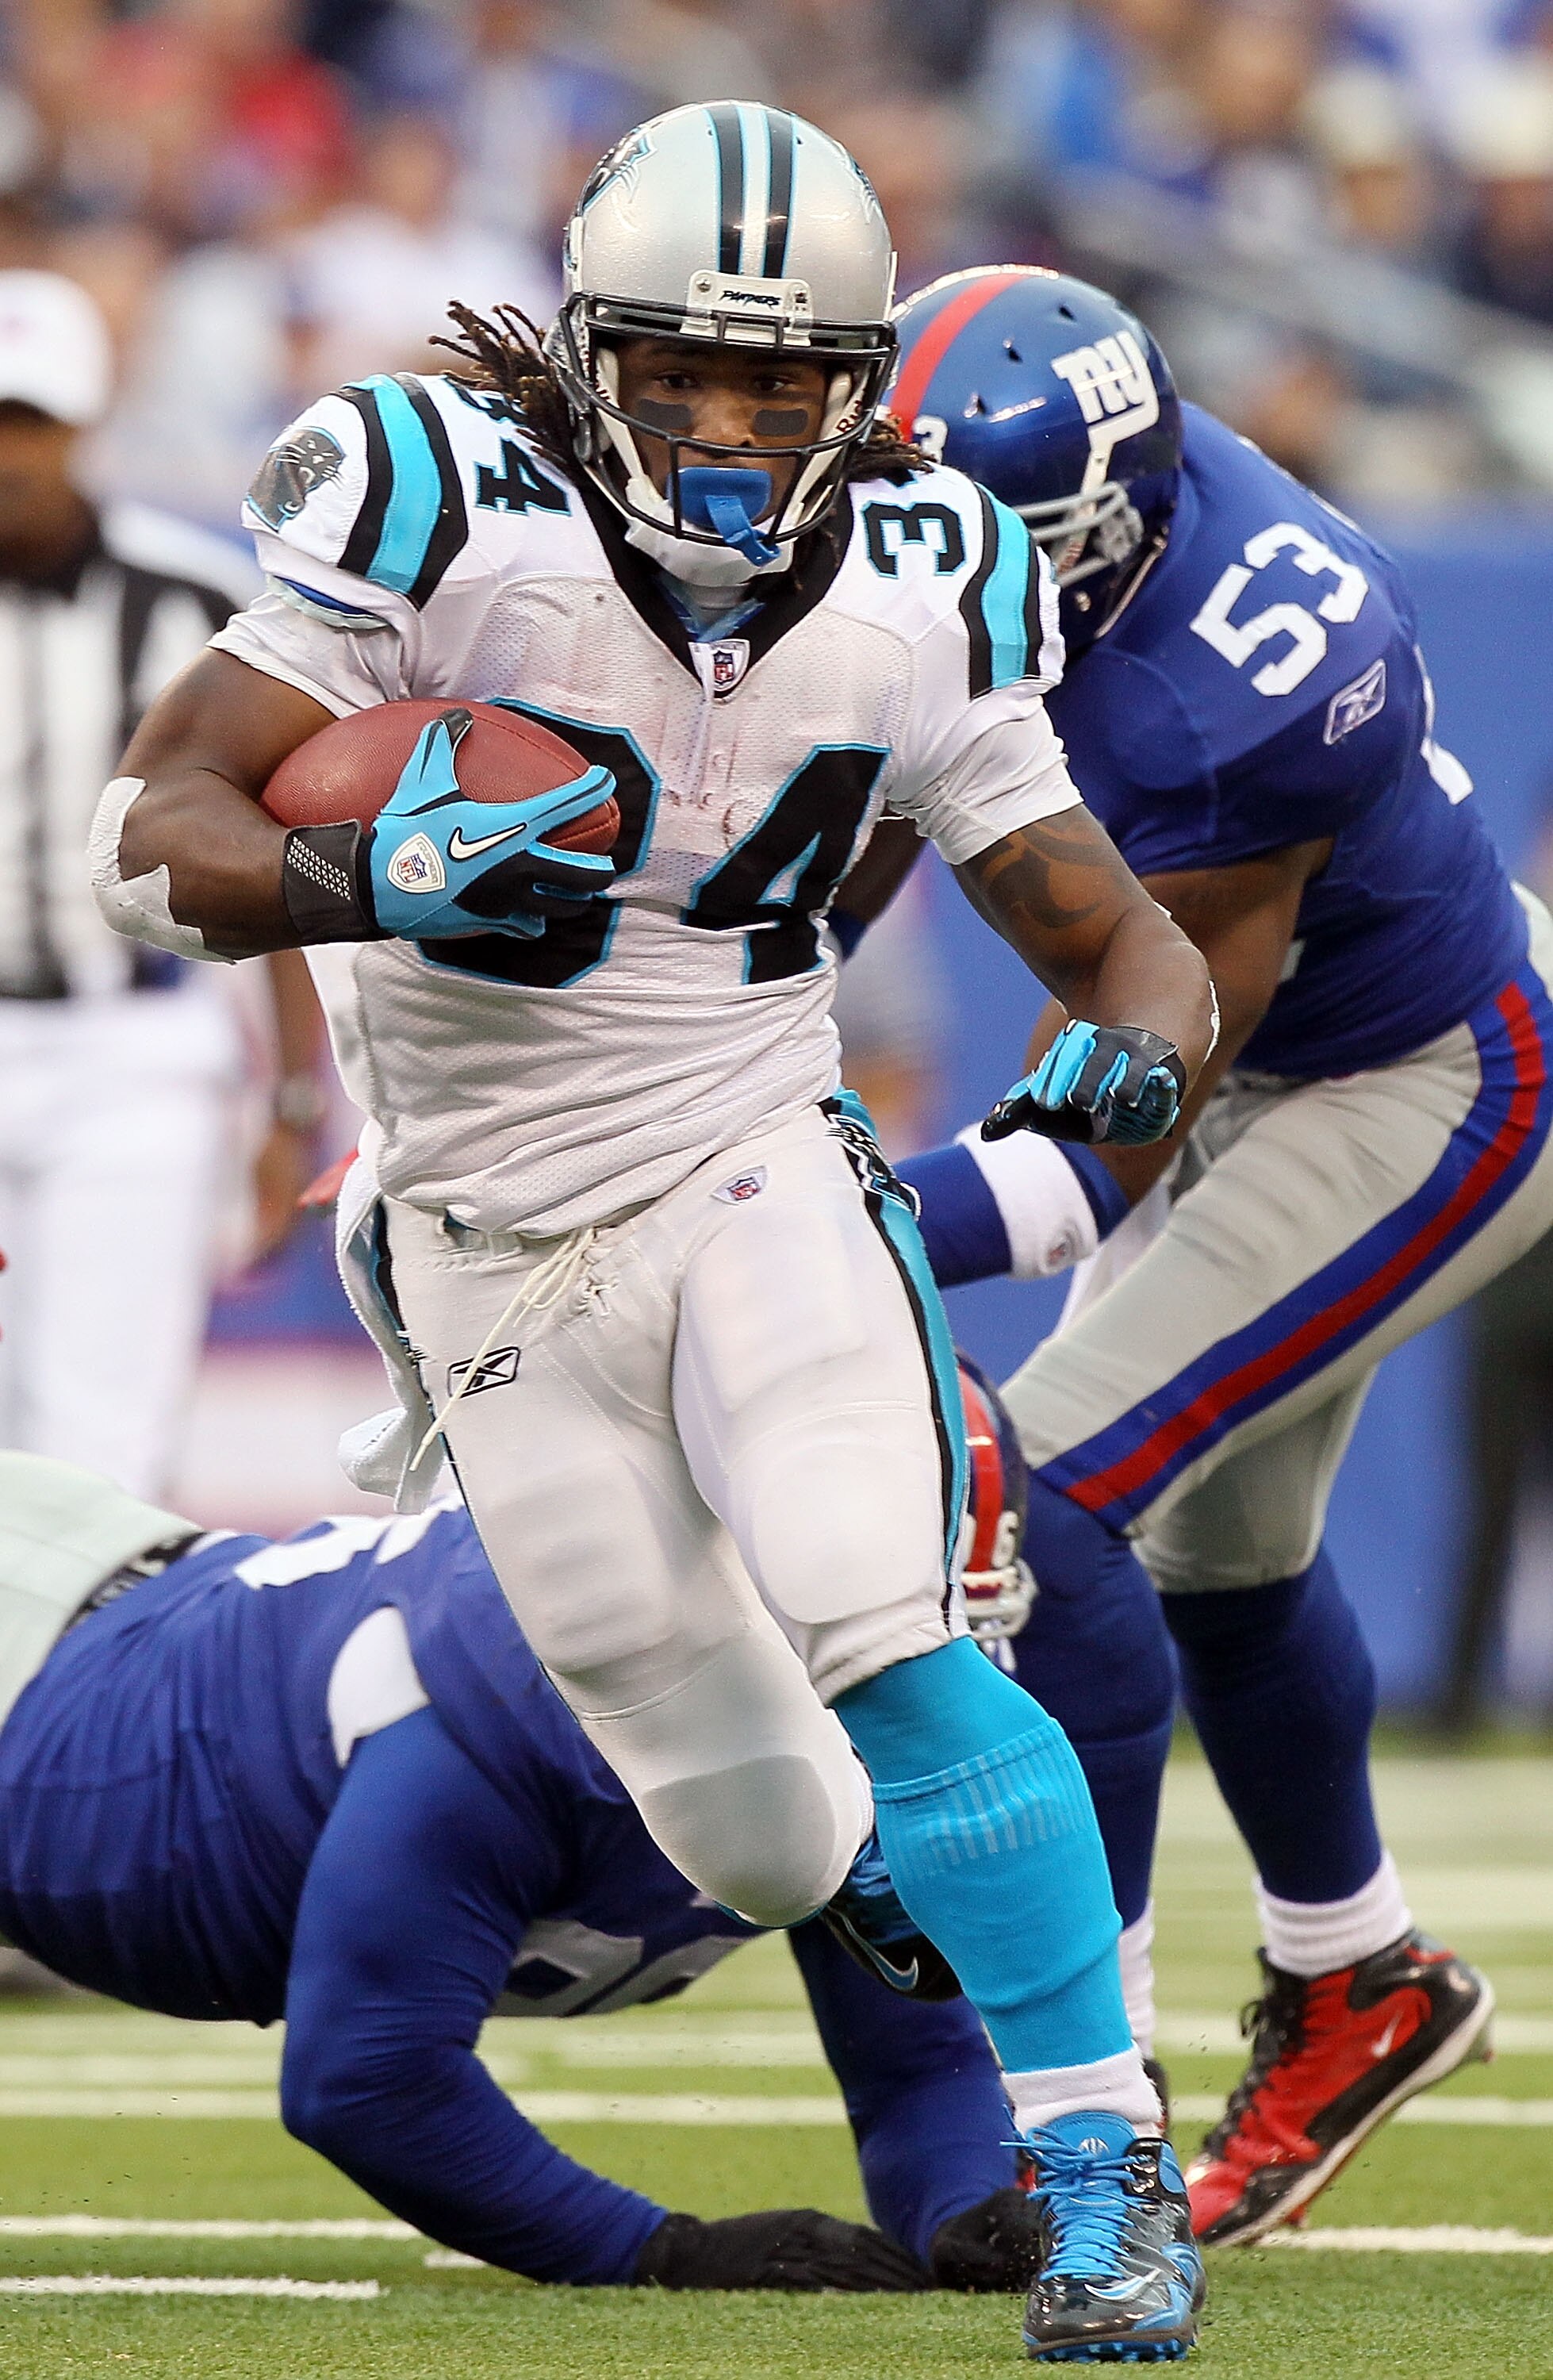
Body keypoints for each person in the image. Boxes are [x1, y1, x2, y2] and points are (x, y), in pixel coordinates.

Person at [90, 105, 1216, 2363]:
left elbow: (1112, 934)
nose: (721, 428)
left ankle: (1103, 2178)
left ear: (856, 387)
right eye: (676, 375)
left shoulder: (927, 569)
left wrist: (1137, 1056)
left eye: (776, 383)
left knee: (886, 1624)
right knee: (754, 1837)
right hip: (481, 1235)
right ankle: (907, 1863)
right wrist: (363, 874)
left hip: (744, 1152)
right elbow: (148, 836)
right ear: (587, 357)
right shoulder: (436, 497)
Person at [881, 263, 1532, 2247]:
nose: (925, 571)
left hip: (1395, 1085)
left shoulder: (1230, 699)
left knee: (1052, 1503)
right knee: (1217, 1569)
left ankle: (1098, 2102)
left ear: (1099, 524)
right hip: (1241, 1061)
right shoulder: (1052, 519)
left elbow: (1105, 1135)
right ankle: (1361, 1979)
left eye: (978, 543)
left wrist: (830, 1218)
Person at [0, 1443, 1035, 2294]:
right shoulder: (495, 1711)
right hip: (42, 1676)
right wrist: (658, 2251)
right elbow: (365, 2078)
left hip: (131, 1581)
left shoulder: (857, 1710)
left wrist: (972, 2212)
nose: (911, 1673)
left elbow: (917, 2057)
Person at [0, 267, 322, 1499]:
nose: (12, 455)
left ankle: (64, 1696)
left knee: (99, 1444)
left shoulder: (193, 601)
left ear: (85, 425)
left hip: (125, 1056)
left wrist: (293, 1099)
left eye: (33, 424)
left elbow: (272, 857)